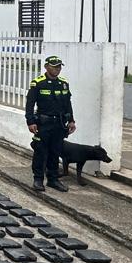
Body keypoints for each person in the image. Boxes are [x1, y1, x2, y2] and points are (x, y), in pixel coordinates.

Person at [25, 54, 75, 192]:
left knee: (55, 151)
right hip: (43, 123)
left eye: (59, 67)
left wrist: (71, 120)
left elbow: (67, 104)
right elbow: (30, 104)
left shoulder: (63, 83)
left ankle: (53, 179)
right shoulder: (38, 83)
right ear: (46, 67)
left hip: (59, 124)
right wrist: (30, 121)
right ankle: (38, 179)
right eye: (54, 67)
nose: (57, 69)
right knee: (40, 151)